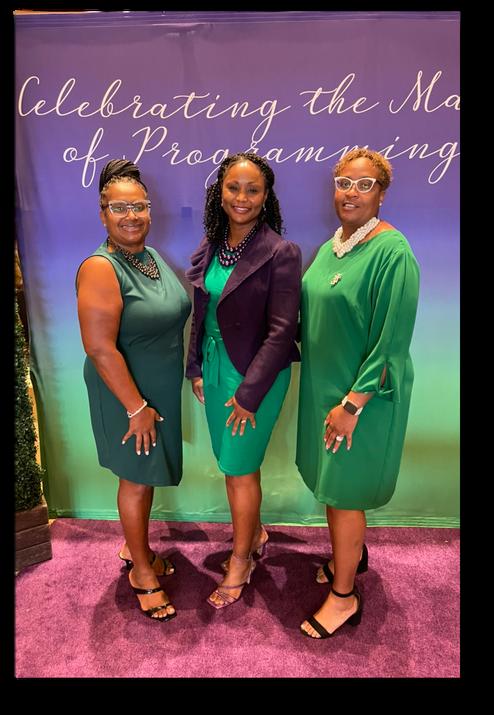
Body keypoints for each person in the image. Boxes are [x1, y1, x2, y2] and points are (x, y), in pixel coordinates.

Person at [296, 147, 420, 639]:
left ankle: (344, 597)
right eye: (344, 182)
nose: (351, 192)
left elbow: (390, 344)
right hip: (325, 390)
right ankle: (348, 558)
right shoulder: (334, 246)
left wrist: (352, 404)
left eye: (365, 184)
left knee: (345, 495)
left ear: (382, 193)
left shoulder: (393, 252)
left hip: (359, 400)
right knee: (334, 489)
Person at [76, 159, 191, 621]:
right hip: (127, 395)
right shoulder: (100, 268)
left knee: (145, 474)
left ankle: (134, 547)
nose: (131, 216)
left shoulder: (149, 256)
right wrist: (135, 407)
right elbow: (100, 348)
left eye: (139, 206)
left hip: (155, 390)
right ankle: (142, 572)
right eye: (119, 208)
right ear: (102, 213)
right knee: (136, 480)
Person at [186, 152, 301, 609]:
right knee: (233, 465)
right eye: (233, 187)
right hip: (216, 369)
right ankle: (254, 533)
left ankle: (241, 559)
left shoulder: (280, 252)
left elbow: (282, 332)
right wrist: (196, 368)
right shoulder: (212, 245)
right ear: (220, 193)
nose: (242, 197)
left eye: (253, 190)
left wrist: (249, 395)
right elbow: (202, 312)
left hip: (256, 378)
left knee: (238, 469)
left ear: (266, 196)